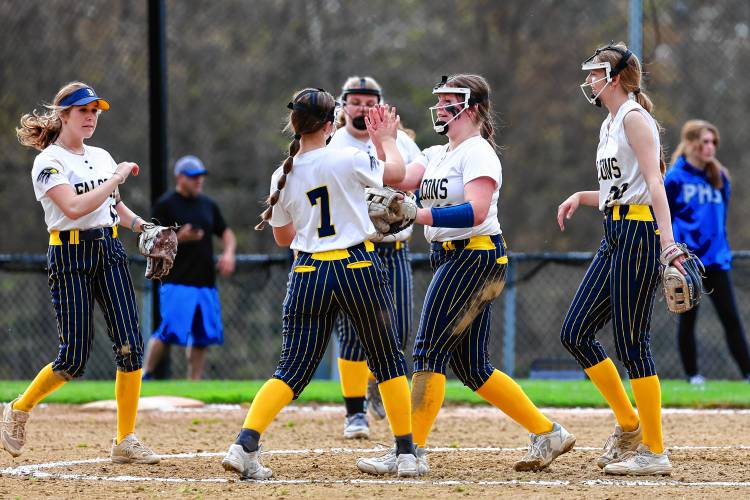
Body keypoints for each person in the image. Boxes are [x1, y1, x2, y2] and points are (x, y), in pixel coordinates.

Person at [357, 74, 575, 476]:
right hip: (451, 256)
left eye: (447, 101)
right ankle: (548, 432)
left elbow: (474, 212)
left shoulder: (478, 152)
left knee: (427, 350)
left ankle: (411, 452)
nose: (439, 107)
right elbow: (399, 179)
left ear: (470, 107)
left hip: (474, 257)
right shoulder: (439, 152)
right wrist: (384, 140)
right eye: (437, 100)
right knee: (473, 367)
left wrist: (417, 214)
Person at [221, 88, 421, 479]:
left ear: (294, 124)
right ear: (332, 125)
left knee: (291, 370)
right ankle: (406, 454)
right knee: (388, 361)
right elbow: (397, 175)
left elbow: (283, 238)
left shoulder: (284, 172)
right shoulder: (347, 156)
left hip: (308, 273)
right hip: (356, 268)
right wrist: (387, 141)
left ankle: (244, 445)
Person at [5, 81, 159, 464]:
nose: (91, 117)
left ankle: (125, 439)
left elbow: (115, 209)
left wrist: (144, 227)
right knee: (73, 357)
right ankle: (19, 408)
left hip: (108, 251)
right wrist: (116, 178)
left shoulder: (102, 156)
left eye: (95, 111)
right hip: (70, 256)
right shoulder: (50, 162)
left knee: (130, 347)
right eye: (83, 111)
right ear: (64, 116)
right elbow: (73, 208)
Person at [557, 42, 687, 476]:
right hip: (615, 230)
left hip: (638, 233)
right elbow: (620, 190)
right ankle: (630, 424)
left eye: (596, 72)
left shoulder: (633, 116)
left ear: (614, 77)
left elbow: (655, 183)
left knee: (634, 343)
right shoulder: (610, 122)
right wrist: (582, 195)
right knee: (575, 331)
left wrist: (667, 244)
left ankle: (655, 451)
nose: (590, 79)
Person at [328, 76, 421, 439]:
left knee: (396, 329)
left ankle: (376, 385)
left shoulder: (404, 144)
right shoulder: (334, 143)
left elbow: (414, 180)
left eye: (370, 102)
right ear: (342, 106)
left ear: (382, 105)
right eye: (355, 101)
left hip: (395, 248)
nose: (363, 108)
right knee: (352, 333)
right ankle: (354, 414)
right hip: (355, 248)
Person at [665, 120, 750, 384]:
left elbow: (718, 219)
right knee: (688, 319)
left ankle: (747, 372)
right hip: (687, 262)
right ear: (690, 143)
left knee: (731, 319)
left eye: (713, 142)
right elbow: (664, 215)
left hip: (716, 259)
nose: (710, 147)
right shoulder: (675, 178)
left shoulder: (719, 177)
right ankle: (693, 376)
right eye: (704, 141)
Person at [142, 155, 236, 380]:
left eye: (200, 177)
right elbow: (151, 243)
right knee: (168, 332)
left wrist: (228, 253)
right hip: (177, 281)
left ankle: (193, 383)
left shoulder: (208, 205)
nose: (198, 181)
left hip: (205, 282)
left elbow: (226, 232)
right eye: (193, 177)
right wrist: (179, 238)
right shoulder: (166, 204)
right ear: (180, 178)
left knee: (202, 337)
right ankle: (146, 374)